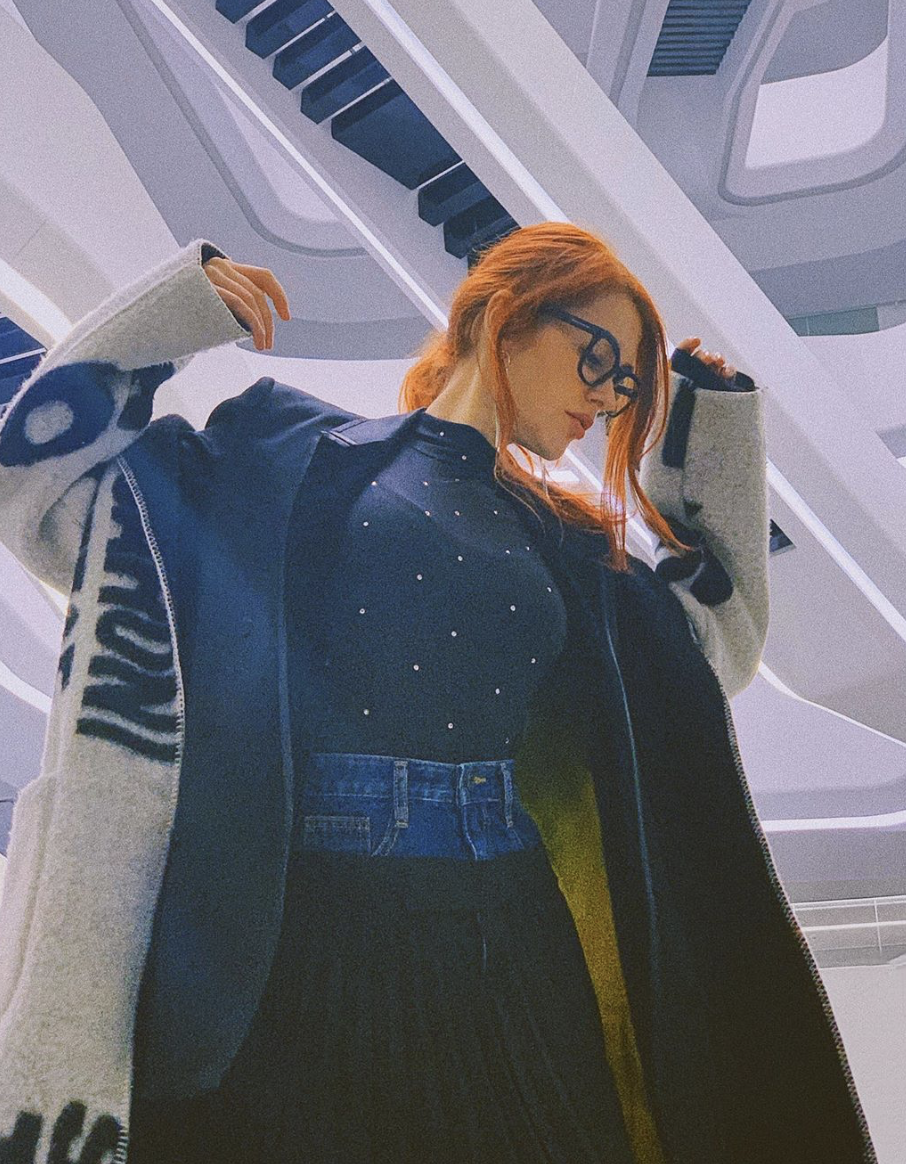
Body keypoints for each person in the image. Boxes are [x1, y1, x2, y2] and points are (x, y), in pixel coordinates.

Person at [0, 224, 877, 1164]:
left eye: (627, 386)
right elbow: (37, 491)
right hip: (312, 933)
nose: (606, 398)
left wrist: (710, 424)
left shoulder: (562, 543)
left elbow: (711, 652)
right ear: (505, 316)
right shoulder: (286, 457)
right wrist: (166, 320)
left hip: (515, 928)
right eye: (598, 359)